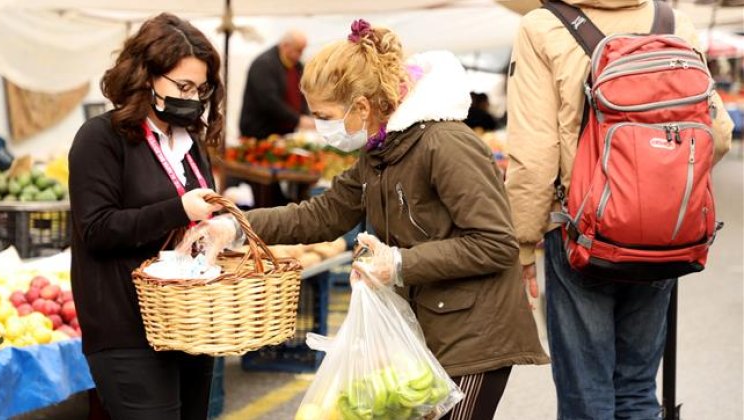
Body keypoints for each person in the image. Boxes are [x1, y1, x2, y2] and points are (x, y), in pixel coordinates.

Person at [204, 19, 549, 420]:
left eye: (325, 115)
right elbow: (325, 213)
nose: (321, 127)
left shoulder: (446, 144)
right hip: (428, 327)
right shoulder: (381, 150)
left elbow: (495, 243)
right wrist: (237, 227)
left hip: (475, 335)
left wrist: (400, 263)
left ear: (362, 106)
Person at [504, 1, 734, 419]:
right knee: (638, 391)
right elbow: (717, 135)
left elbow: (534, 157)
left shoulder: (542, 27)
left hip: (581, 233)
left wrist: (522, 242)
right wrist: (664, 191)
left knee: (585, 395)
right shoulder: (673, 22)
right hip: (666, 237)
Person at [68, 13, 225, 420]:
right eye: (184, 86)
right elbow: (97, 229)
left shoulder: (191, 144)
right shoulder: (101, 138)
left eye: (201, 89)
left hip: (187, 322)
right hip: (125, 329)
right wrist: (178, 210)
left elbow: (198, 218)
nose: (193, 97)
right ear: (147, 75)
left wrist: (214, 228)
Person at [239, 29, 315, 140]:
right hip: (260, 133)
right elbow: (269, 101)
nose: (300, 55)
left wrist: (304, 116)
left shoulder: (298, 67)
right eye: (298, 50)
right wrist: (298, 120)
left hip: (285, 133)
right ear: (285, 46)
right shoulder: (264, 64)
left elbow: (303, 95)